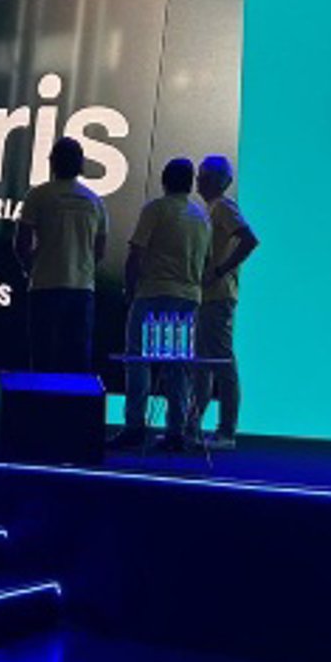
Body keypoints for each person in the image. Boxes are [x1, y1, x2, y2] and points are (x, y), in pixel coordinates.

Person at [109, 157, 210, 452]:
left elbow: (136, 252)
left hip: (153, 292)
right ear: (190, 183)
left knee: (138, 360)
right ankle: (175, 431)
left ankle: (134, 426)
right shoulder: (201, 216)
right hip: (188, 297)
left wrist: (130, 288)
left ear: (165, 180)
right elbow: (206, 260)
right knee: (178, 365)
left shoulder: (155, 209)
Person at [14, 137, 108, 373]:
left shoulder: (38, 196)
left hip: (44, 286)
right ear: (81, 165)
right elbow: (100, 250)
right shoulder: (95, 201)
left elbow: (21, 242)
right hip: (81, 288)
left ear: (52, 162)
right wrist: (83, 268)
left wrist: (31, 269)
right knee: (77, 359)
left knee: (43, 356)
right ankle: (74, 398)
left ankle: (40, 398)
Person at [188, 153, 258, 450]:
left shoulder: (224, 207)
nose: (198, 180)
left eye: (204, 176)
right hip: (207, 295)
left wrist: (219, 270)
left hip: (218, 295)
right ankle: (192, 427)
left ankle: (226, 431)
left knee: (221, 363)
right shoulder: (210, 208)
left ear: (218, 181)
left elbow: (249, 240)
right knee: (203, 364)